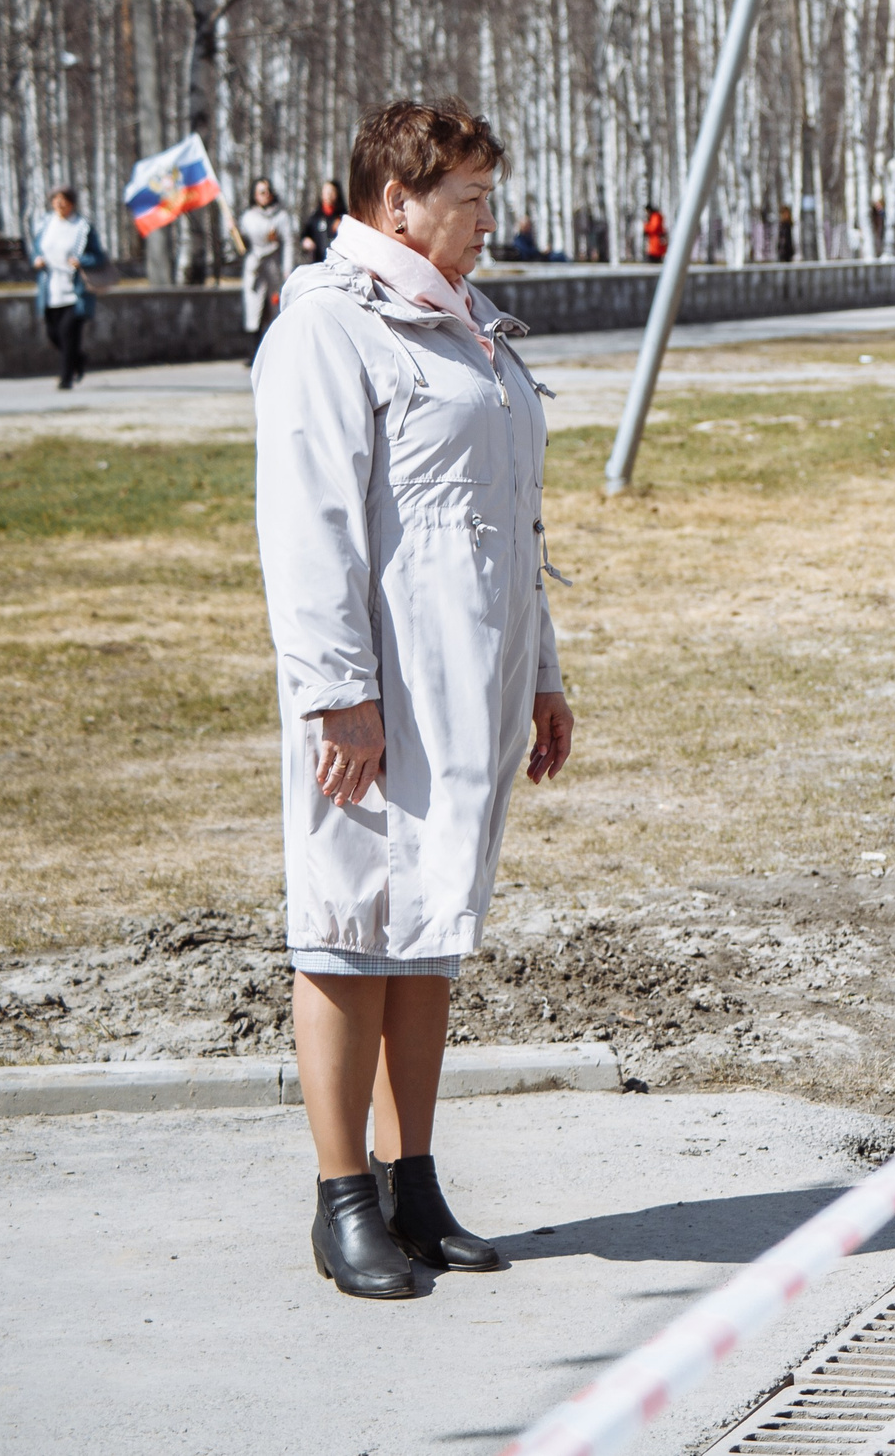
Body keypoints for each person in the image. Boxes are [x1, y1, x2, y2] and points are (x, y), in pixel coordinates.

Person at [252, 97, 574, 1299]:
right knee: (347, 924)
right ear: (399, 202)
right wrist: (339, 692)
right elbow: (309, 526)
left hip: (468, 685)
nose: (490, 222)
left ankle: (414, 1180)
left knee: (428, 928)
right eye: (471, 200)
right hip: (374, 686)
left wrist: (542, 673)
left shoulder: (472, 328)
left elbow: (511, 523)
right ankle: (344, 1196)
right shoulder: (330, 329)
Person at [28, 186, 106, 391]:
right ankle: (78, 360)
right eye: (56, 200)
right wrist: (36, 260)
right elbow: (35, 250)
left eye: (64, 200)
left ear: (72, 203)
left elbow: (99, 257)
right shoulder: (45, 224)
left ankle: (66, 379)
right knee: (54, 335)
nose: (60, 204)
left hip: (76, 292)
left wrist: (81, 261)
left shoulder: (82, 227)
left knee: (68, 333)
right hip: (50, 290)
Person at [238, 178, 296, 359]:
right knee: (253, 308)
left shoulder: (281, 216)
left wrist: (287, 268)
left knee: (274, 308)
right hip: (255, 267)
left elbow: (288, 243)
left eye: (267, 191)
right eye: (261, 192)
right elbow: (241, 244)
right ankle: (252, 352)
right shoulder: (248, 217)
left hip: (273, 267)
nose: (265, 195)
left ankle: (274, 350)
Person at [298, 179, 345, 264]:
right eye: (326, 192)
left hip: (340, 264)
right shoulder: (315, 217)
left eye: (331, 192)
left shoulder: (344, 217)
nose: (329, 195)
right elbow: (304, 236)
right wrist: (306, 242)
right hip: (319, 263)